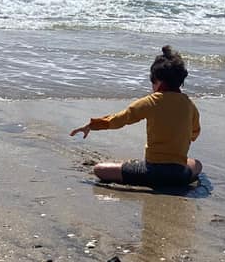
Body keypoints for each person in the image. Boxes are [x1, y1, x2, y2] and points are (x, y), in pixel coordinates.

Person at [70, 45, 202, 188]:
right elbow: (195, 133)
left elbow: (121, 119)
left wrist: (92, 125)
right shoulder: (190, 105)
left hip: (151, 172)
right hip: (179, 175)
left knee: (99, 169)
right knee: (197, 164)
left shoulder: (151, 101)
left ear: (157, 80)